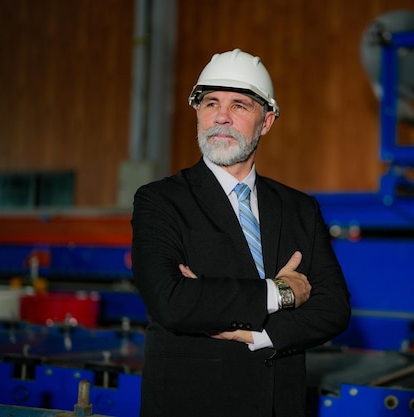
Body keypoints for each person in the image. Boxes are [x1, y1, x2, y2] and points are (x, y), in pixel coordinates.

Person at [131, 48, 351, 417]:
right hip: (194, 406)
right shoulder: (160, 200)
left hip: (280, 406)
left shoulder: (299, 208)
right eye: (210, 103)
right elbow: (171, 301)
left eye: (239, 106)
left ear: (266, 121)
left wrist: (261, 334)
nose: (221, 116)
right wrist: (281, 292)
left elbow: (333, 308)